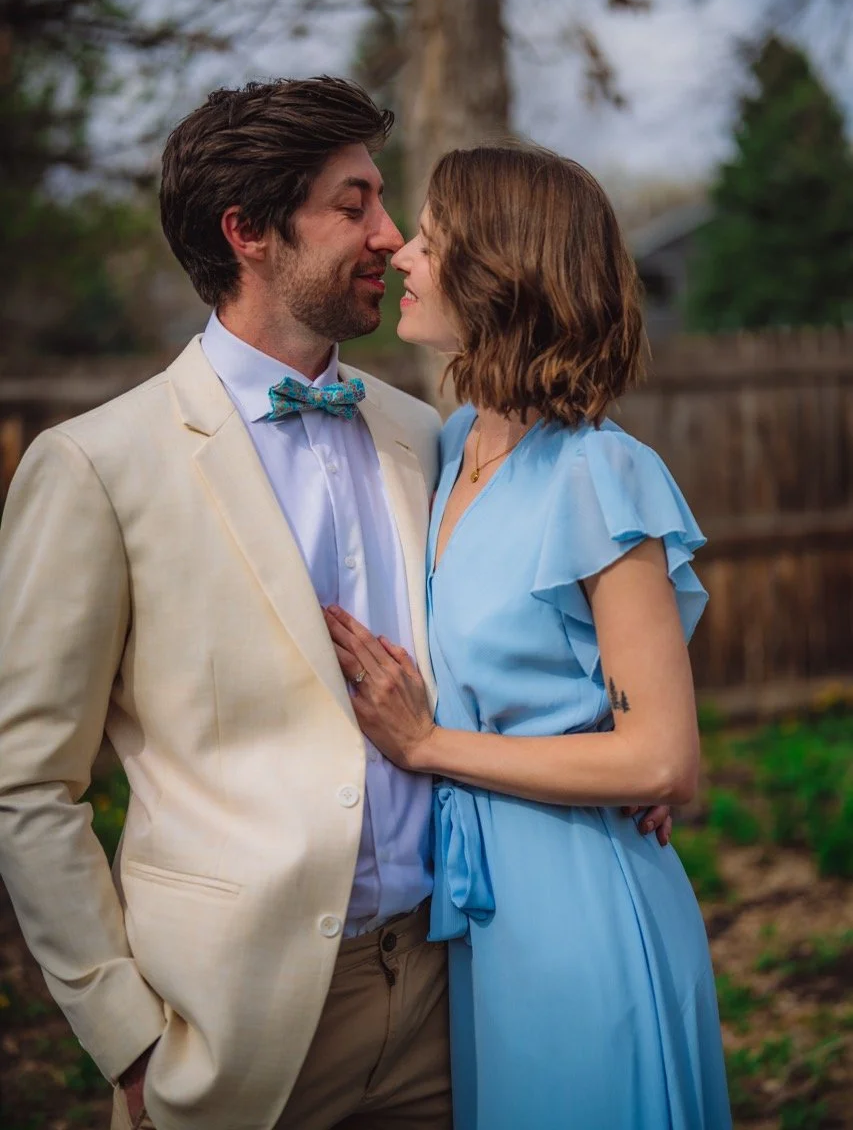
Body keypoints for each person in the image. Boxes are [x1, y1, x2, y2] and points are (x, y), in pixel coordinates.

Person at [0, 83, 671, 1130]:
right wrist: (122, 1028)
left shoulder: (431, 435)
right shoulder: (96, 465)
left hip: (463, 981)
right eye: (352, 203)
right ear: (250, 232)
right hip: (239, 1024)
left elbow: (547, 619)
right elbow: (26, 784)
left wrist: (625, 749)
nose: (388, 234)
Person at [324, 144, 732, 1129]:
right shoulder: (449, 443)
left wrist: (425, 745)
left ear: (503, 270)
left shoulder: (596, 473)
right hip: (479, 916)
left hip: (580, 909)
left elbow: (666, 758)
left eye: (430, 238)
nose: (404, 256)